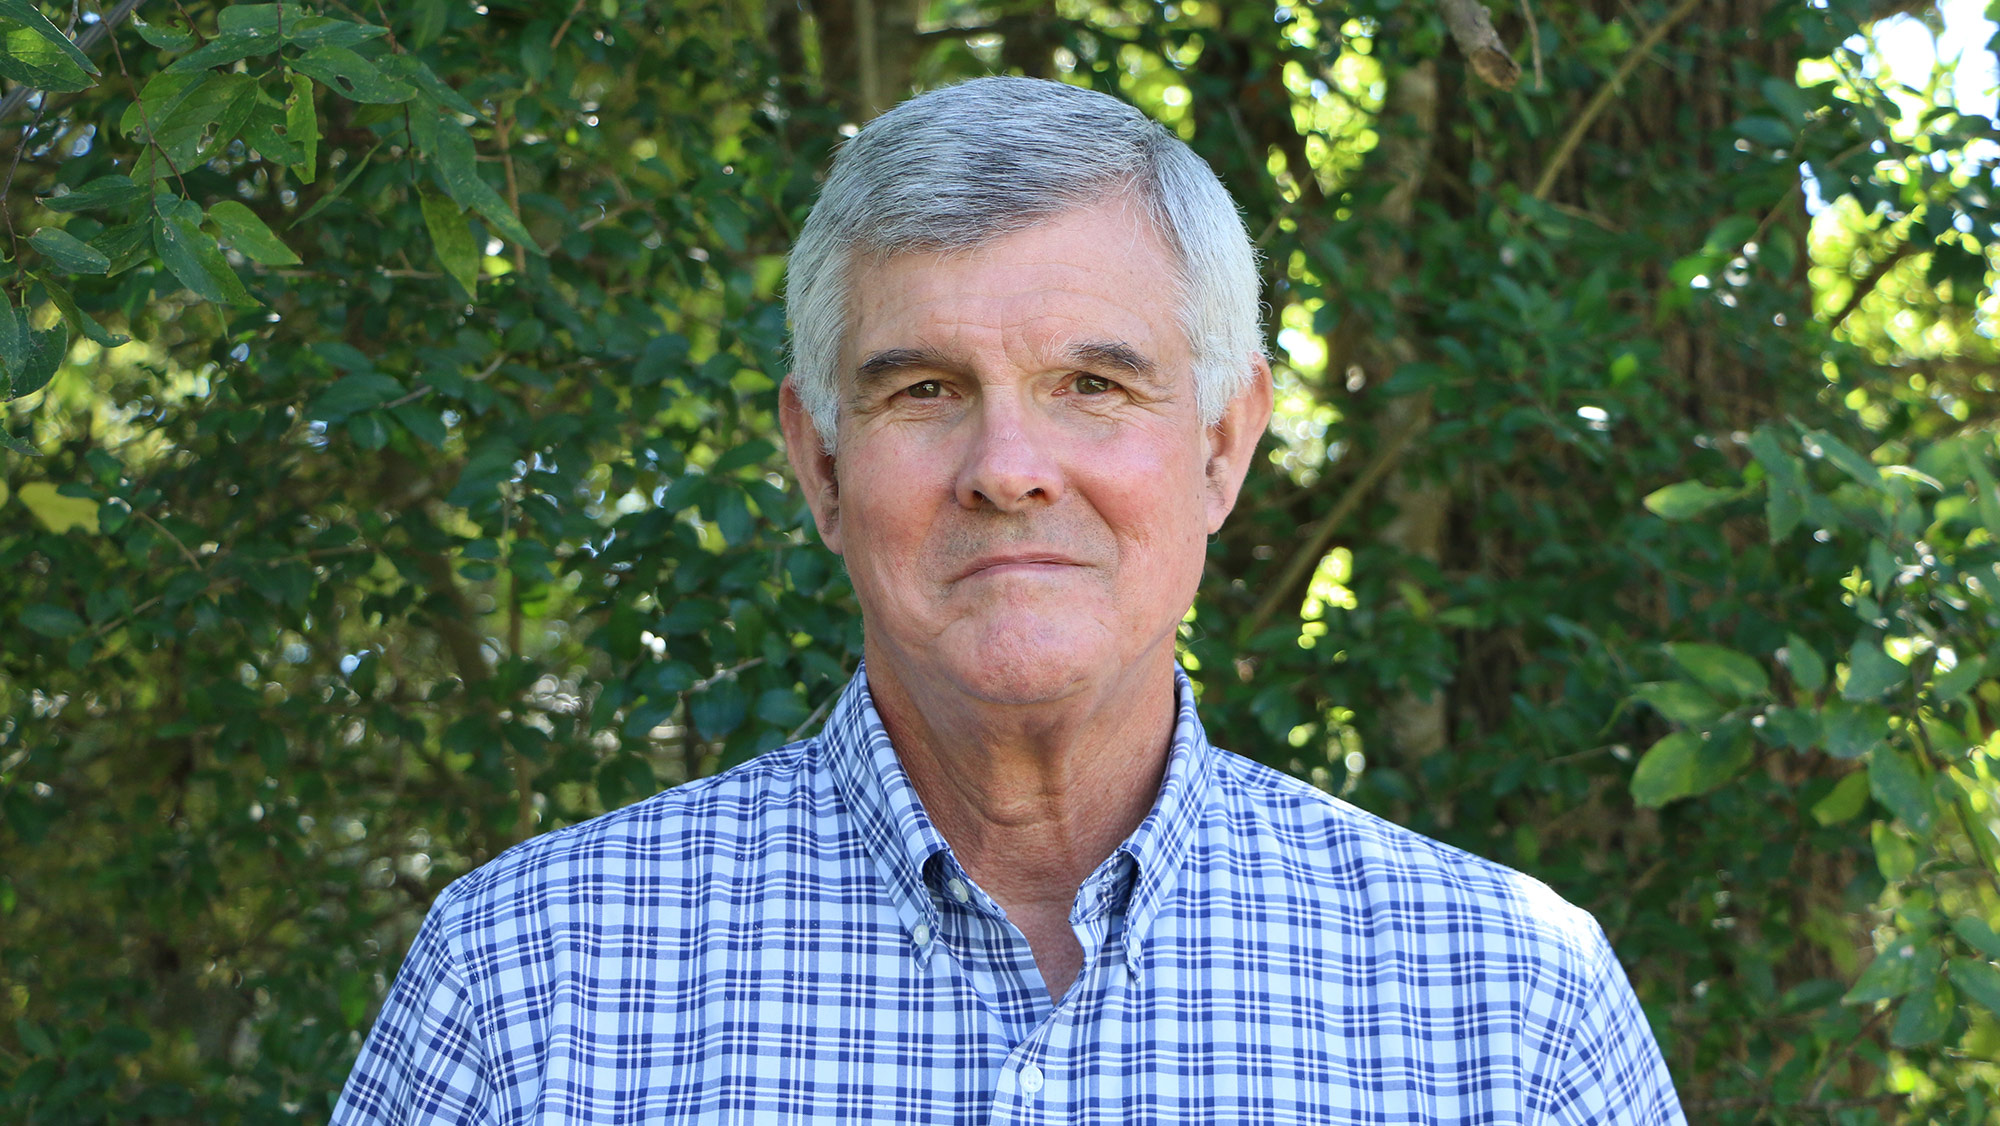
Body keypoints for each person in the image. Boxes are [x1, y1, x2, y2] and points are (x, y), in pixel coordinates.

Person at [333, 76, 1686, 1124]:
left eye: (1094, 385)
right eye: (924, 389)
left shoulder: (1508, 1003)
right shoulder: (535, 983)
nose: (1010, 470)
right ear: (819, 462)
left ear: (1224, 443)